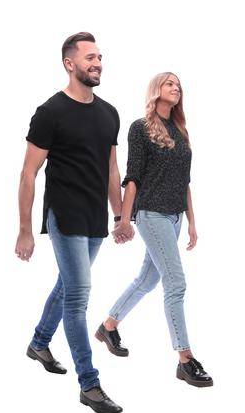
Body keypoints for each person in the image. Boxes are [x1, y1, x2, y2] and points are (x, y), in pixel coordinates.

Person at [15, 32, 126, 413]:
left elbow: (112, 168)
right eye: (90, 58)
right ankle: (89, 384)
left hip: (96, 217)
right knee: (78, 297)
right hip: (64, 215)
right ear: (69, 64)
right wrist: (26, 229)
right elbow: (29, 173)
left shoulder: (109, 112)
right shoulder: (50, 112)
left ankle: (39, 342)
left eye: (100, 57)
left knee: (67, 286)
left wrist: (120, 215)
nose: (97, 63)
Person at [97, 72, 212, 388]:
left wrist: (191, 222)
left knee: (148, 279)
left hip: (174, 217)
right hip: (151, 215)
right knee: (176, 283)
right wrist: (122, 218)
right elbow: (132, 176)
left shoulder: (181, 131)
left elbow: (184, 181)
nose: (176, 88)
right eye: (169, 83)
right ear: (156, 91)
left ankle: (109, 325)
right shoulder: (140, 128)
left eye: (179, 85)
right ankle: (185, 359)